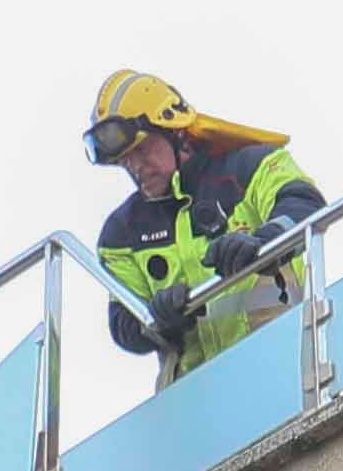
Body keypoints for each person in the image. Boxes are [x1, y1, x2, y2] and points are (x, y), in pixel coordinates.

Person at [90, 72, 324, 386]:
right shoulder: (122, 232)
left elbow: (304, 204)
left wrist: (263, 244)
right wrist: (159, 319)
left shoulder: (249, 167)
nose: (135, 166)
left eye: (142, 150)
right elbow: (123, 325)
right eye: (124, 159)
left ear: (174, 131)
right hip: (197, 411)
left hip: (284, 375)